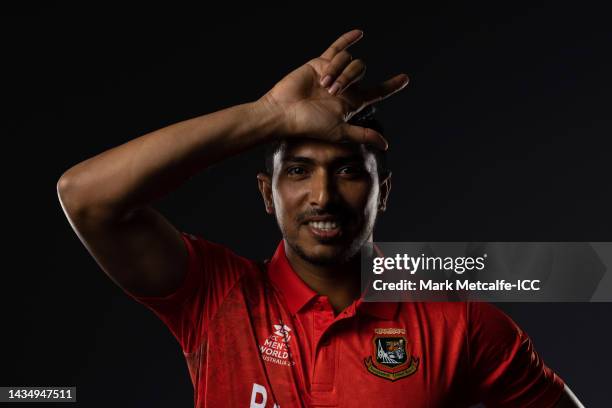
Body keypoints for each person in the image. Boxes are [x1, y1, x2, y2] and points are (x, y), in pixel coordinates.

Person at [57, 30, 584, 407]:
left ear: (384, 194)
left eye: (350, 172)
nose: (323, 195)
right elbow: (85, 196)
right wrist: (269, 116)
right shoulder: (215, 296)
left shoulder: (459, 325)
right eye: (299, 172)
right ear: (267, 193)